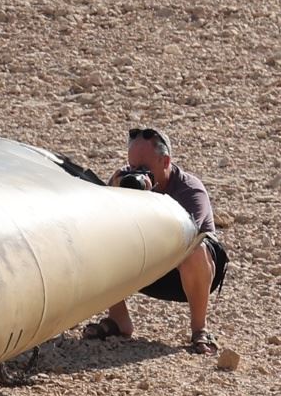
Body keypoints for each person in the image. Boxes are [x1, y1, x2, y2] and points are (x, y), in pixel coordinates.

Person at [81, 126, 227, 355]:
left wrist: (147, 202)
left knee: (195, 249)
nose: (139, 174)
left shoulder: (189, 189)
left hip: (188, 273)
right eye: (133, 167)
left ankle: (200, 329)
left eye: (145, 168)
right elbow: (97, 225)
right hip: (148, 266)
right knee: (101, 242)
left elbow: (186, 236)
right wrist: (112, 193)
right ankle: (118, 320)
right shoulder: (125, 181)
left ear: (165, 161)